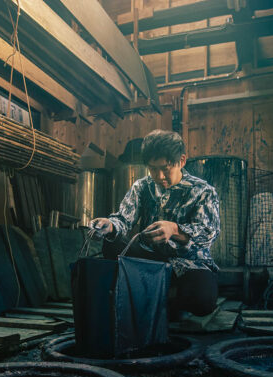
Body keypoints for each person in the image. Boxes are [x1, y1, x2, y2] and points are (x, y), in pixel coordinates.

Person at [90, 129, 220, 317]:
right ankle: (155, 296)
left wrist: (175, 229)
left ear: (182, 161)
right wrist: (109, 225)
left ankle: (155, 297)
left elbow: (209, 234)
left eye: (165, 168)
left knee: (203, 301)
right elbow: (123, 218)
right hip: (148, 259)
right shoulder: (142, 186)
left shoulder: (203, 191)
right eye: (153, 168)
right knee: (112, 242)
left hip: (189, 263)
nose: (159, 176)